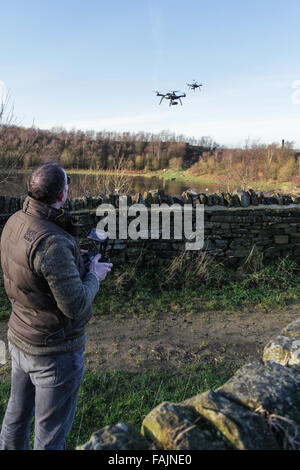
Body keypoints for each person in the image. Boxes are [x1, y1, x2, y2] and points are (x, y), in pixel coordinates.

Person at [0, 162, 112, 450]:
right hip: (52, 353)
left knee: (16, 414)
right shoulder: (51, 242)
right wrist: (94, 277)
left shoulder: (15, 221)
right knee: (50, 433)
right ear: (62, 195)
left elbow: (33, 271)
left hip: (20, 336)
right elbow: (75, 306)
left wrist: (73, 259)